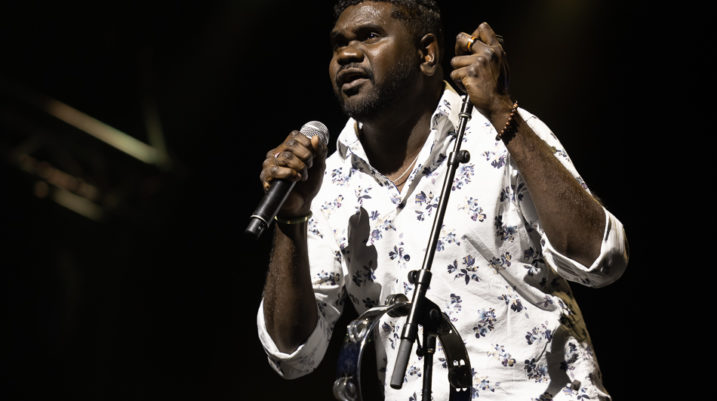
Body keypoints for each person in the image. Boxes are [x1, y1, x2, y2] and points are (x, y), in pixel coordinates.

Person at [255, 1, 629, 400]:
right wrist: (291, 219)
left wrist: (502, 110)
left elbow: (600, 261)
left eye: (370, 36)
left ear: (427, 54)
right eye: (338, 44)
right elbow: (293, 355)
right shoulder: (328, 183)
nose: (347, 54)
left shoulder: (501, 132)